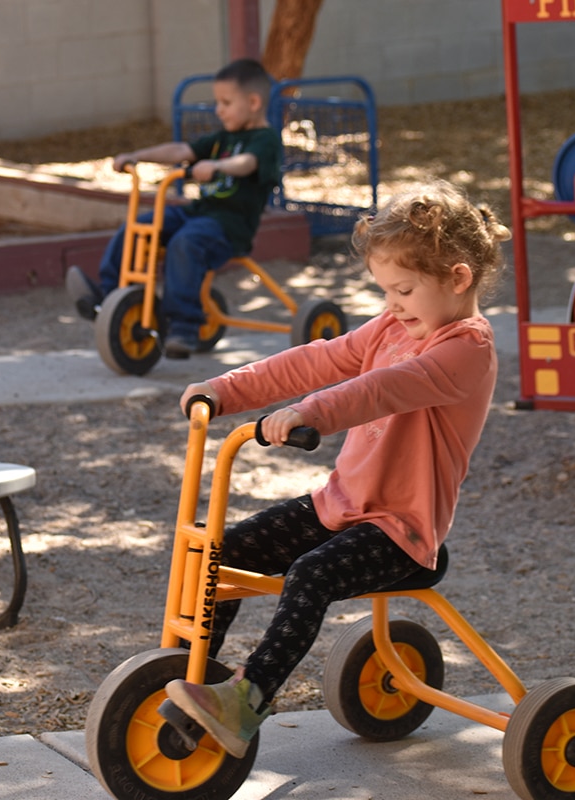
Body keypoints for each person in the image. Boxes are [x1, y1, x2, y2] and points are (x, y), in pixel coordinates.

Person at [162, 179, 509, 758]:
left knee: (310, 575)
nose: (392, 304)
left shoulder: (466, 349)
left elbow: (382, 389)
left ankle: (247, 699)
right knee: (221, 552)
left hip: (401, 529)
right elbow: (316, 360)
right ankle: (184, 675)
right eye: (385, 291)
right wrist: (224, 391)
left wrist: (310, 413)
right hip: (342, 507)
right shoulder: (394, 326)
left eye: (403, 289)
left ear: (457, 278)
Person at [65, 58, 281, 359]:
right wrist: (136, 156)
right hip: (198, 213)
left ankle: (183, 326)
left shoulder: (265, 140)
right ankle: (108, 296)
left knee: (185, 243)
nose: (218, 109)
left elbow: (247, 164)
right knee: (142, 225)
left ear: (254, 102)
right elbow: (181, 151)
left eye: (226, 102)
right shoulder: (223, 138)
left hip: (229, 226)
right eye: (218, 102)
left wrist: (218, 166)